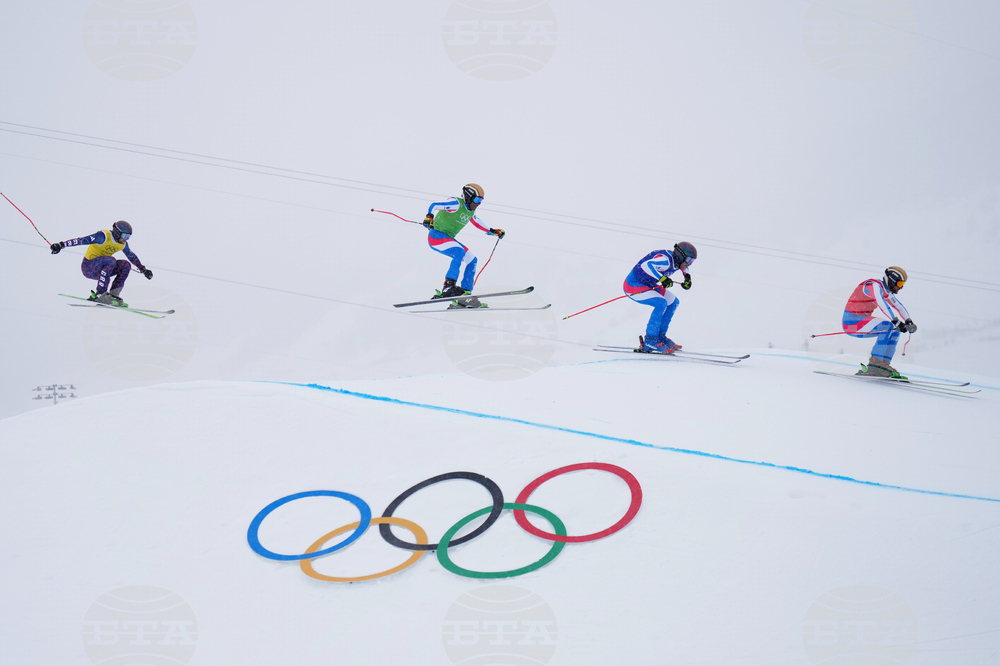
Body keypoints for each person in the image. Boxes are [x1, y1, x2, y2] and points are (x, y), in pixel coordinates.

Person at [423, 183, 505, 305]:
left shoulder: (470, 212)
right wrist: (429, 217)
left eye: (481, 201)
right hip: (436, 236)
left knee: (472, 260)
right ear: (468, 197)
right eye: (477, 200)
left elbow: (477, 222)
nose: (479, 203)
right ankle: (448, 287)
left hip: (448, 239)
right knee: (459, 252)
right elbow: (434, 205)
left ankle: (465, 296)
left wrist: (493, 231)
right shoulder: (456, 203)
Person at [50, 220, 153, 307]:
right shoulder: (103, 236)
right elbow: (82, 240)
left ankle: (113, 296)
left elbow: (131, 256)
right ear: (117, 233)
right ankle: (100, 294)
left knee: (125, 265)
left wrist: (143, 269)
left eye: (129, 236)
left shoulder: (123, 244)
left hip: (103, 269)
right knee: (110, 260)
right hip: (88, 267)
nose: (127, 239)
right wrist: (61, 245)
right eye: (125, 235)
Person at [842, 266, 917, 378]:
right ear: (892, 280)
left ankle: (883, 364)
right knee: (888, 326)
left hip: (861, 321)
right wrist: (897, 322)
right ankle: (875, 364)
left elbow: (898, 306)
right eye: (900, 284)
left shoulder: (885, 291)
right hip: (851, 323)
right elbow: (882, 304)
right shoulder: (874, 286)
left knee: (894, 330)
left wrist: (908, 321)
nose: (900, 288)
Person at [624, 242, 697, 353]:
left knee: (673, 302)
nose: (690, 264)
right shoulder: (665, 261)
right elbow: (646, 266)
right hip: (633, 285)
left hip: (648, 284)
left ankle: (660, 337)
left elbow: (684, 267)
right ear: (680, 256)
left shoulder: (678, 261)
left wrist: (687, 277)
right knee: (661, 303)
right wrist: (663, 279)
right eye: (689, 261)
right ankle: (650, 341)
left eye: (692, 261)